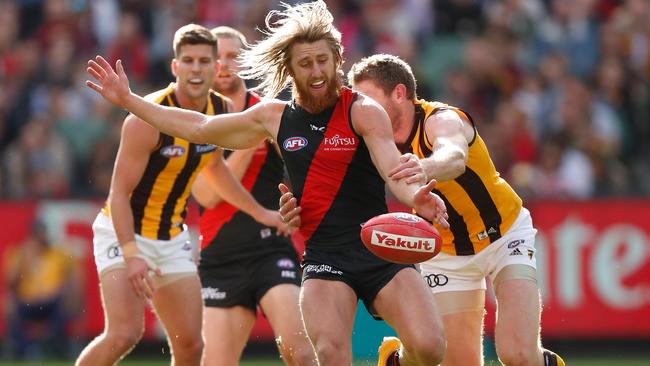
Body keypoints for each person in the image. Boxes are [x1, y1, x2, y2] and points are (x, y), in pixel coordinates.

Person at [85, 2, 451, 365]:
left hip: (377, 247)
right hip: (325, 257)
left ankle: (393, 361)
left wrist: (414, 197)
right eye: (305, 64)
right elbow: (199, 127)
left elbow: (393, 171)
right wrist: (130, 100)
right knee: (328, 354)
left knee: (430, 347)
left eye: (323, 60)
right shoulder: (274, 117)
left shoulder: (363, 111)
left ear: (338, 58)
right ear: (290, 70)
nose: (317, 71)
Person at [281, 54, 566, 366]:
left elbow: (454, 157)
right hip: (442, 252)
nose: (359, 106)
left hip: (504, 235)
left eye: (367, 97)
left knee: (519, 354)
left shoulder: (440, 119)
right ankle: (398, 360)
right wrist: (294, 207)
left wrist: (422, 166)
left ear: (400, 94)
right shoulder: (367, 136)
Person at [76, 24, 251, 366]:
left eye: (204, 61)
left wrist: (263, 213)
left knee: (191, 347)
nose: (196, 69)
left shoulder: (223, 110)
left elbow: (214, 169)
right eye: (188, 60)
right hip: (122, 230)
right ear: (175, 67)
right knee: (125, 333)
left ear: (216, 67)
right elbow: (119, 194)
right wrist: (132, 254)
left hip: (170, 236)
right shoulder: (145, 117)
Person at [190, 26, 316, 366]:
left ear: (246, 62)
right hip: (220, 254)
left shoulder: (272, 113)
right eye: (217, 58)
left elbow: (306, 169)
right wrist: (249, 133)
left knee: (301, 353)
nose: (224, 64)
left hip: (270, 247)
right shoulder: (198, 120)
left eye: (233, 56)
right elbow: (206, 195)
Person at [4, 219, 81, 360]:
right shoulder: (19, 253)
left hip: (52, 301)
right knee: (9, 306)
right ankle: (28, 350)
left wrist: (69, 293)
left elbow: (72, 276)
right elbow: (11, 282)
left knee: (62, 306)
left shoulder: (56, 254)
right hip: (27, 302)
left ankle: (50, 344)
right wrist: (24, 258)